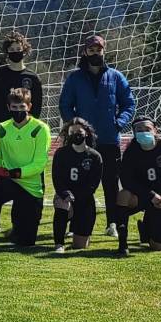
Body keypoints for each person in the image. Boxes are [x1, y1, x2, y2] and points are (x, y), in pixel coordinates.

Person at [58, 35, 136, 238]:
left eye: (98, 50)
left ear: (104, 51)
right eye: (91, 50)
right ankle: (74, 225)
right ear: (85, 52)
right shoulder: (75, 78)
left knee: (110, 183)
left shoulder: (116, 76)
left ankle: (112, 223)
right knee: (78, 184)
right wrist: (75, 126)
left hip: (109, 140)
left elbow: (129, 104)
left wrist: (119, 123)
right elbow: (65, 105)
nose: (95, 53)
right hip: (82, 142)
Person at [0, 88, 51, 250]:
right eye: (14, 108)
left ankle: (18, 228)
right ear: (8, 107)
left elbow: (39, 163)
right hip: (7, 181)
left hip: (30, 186)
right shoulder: (1, 129)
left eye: (22, 107)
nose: (18, 111)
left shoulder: (41, 128)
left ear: (29, 107)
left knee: (26, 242)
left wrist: (15, 173)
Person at [115, 116, 161, 255]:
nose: (143, 132)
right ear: (134, 133)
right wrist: (151, 195)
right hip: (142, 196)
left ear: (155, 130)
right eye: (139, 130)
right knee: (123, 195)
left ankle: (146, 228)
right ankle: (123, 244)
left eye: (147, 129)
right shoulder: (131, 152)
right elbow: (127, 181)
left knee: (158, 247)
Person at [51, 117, 103, 252]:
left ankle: (81, 230)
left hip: (85, 199)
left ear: (86, 133)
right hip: (66, 196)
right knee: (62, 203)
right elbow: (57, 179)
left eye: (79, 132)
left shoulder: (94, 156)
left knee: (80, 246)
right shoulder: (61, 154)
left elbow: (93, 184)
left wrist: (78, 198)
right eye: (72, 132)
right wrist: (65, 193)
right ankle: (59, 243)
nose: (75, 135)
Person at [0, 30, 43, 127]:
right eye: (12, 49)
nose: (15, 52)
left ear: (24, 51)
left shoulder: (33, 78)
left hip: (26, 129)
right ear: (7, 52)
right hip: (4, 128)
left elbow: (36, 108)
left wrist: (25, 125)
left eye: (18, 49)